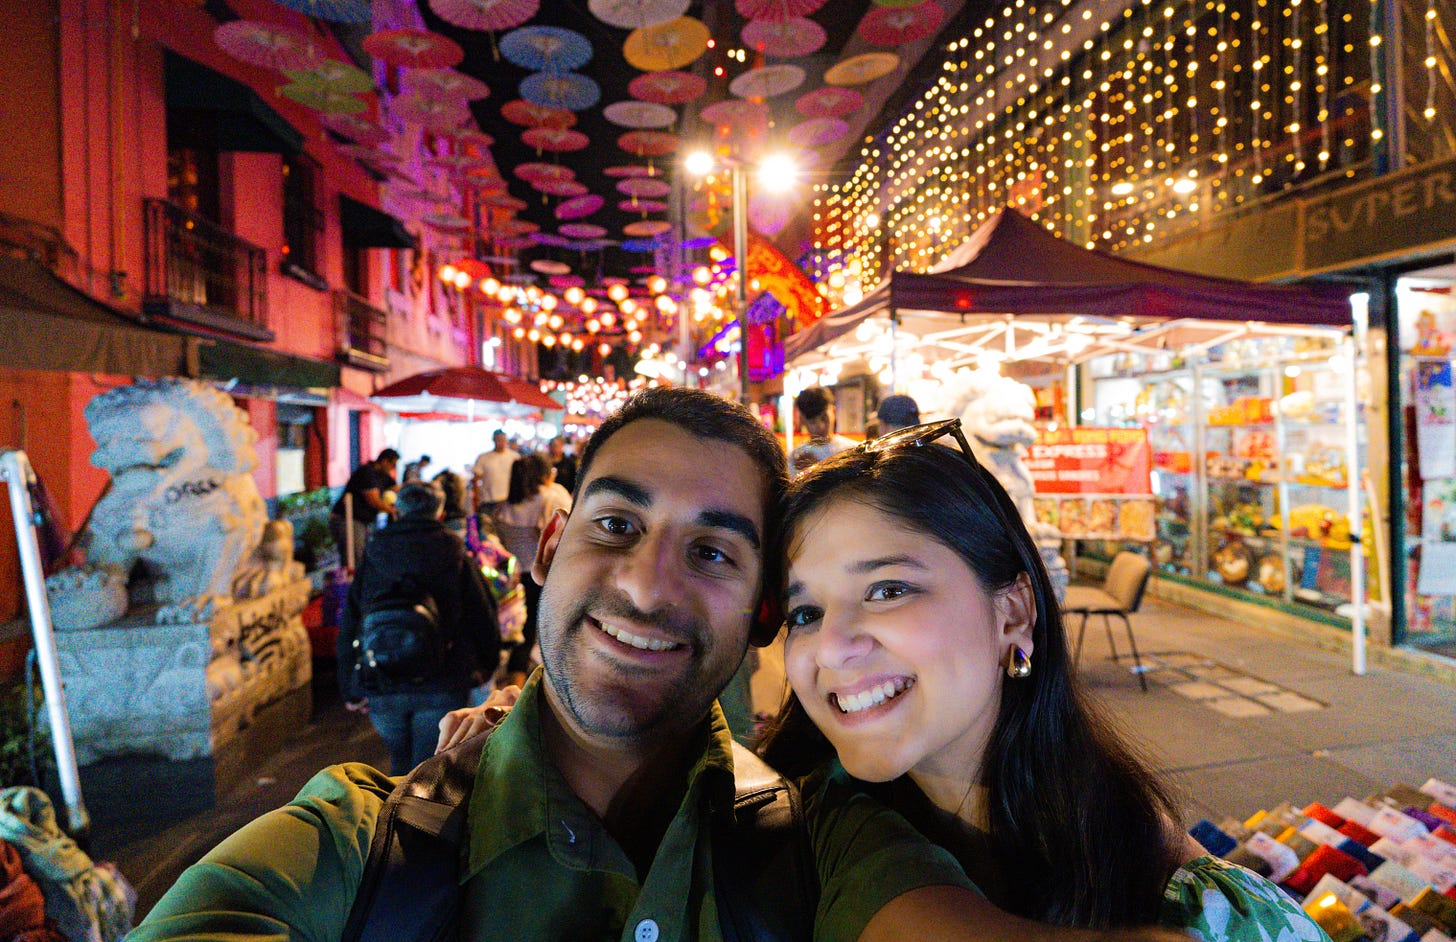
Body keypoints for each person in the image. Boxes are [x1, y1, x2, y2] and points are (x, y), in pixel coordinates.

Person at [132, 388, 1017, 942]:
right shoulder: (350, 851)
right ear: (551, 544)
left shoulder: (823, 845)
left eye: (712, 552)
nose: (642, 585)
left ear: (761, 615)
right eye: (617, 526)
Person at [758, 419, 1331, 938]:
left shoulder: (1193, 902)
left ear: (1013, 613)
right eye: (805, 614)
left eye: (888, 590)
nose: (831, 646)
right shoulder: (783, 832)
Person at [336, 481, 499, 774]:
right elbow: (482, 612)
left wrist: (350, 685)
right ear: (439, 512)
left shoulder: (374, 551)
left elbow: (351, 620)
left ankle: (395, 812)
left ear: (398, 510)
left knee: (399, 765)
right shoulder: (453, 551)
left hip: (383, 679)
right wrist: (486, 664)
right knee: (428, 766)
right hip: (443, 677)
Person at [492, 452, 572, 688]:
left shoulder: (502, 508)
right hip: (540, 577)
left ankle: (512, 683)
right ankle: (520, 689)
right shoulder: (550, 499)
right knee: (538, 632)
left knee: (519, 632)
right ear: (542, 474)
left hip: (511, 577)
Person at [329, 448, 399, 569]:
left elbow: (396, 487)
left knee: (364, 556)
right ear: (384, 461)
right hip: (349, 519)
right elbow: (373, 500)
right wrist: (393, 511)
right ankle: (351, 585)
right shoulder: (367, 473)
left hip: (363, 521)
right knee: (354, 558)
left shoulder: (382, 475)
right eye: (392, 465)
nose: (393, 469)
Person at [790, 386, 856, 475]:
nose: (820, 426)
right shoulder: (796, 458)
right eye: (812, 421)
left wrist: (818, 468)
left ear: (834, 412)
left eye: (824, 418)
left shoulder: (852, 450)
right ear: (802, 420)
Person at [471, 429, 518, 511]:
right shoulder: (483, 458)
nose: (501, 442)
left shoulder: (514, 457)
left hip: (508, 500)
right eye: (498, 440)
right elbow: (475, 479)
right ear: (494, 440)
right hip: (488, 500)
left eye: (503, 440)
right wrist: (477, 497)